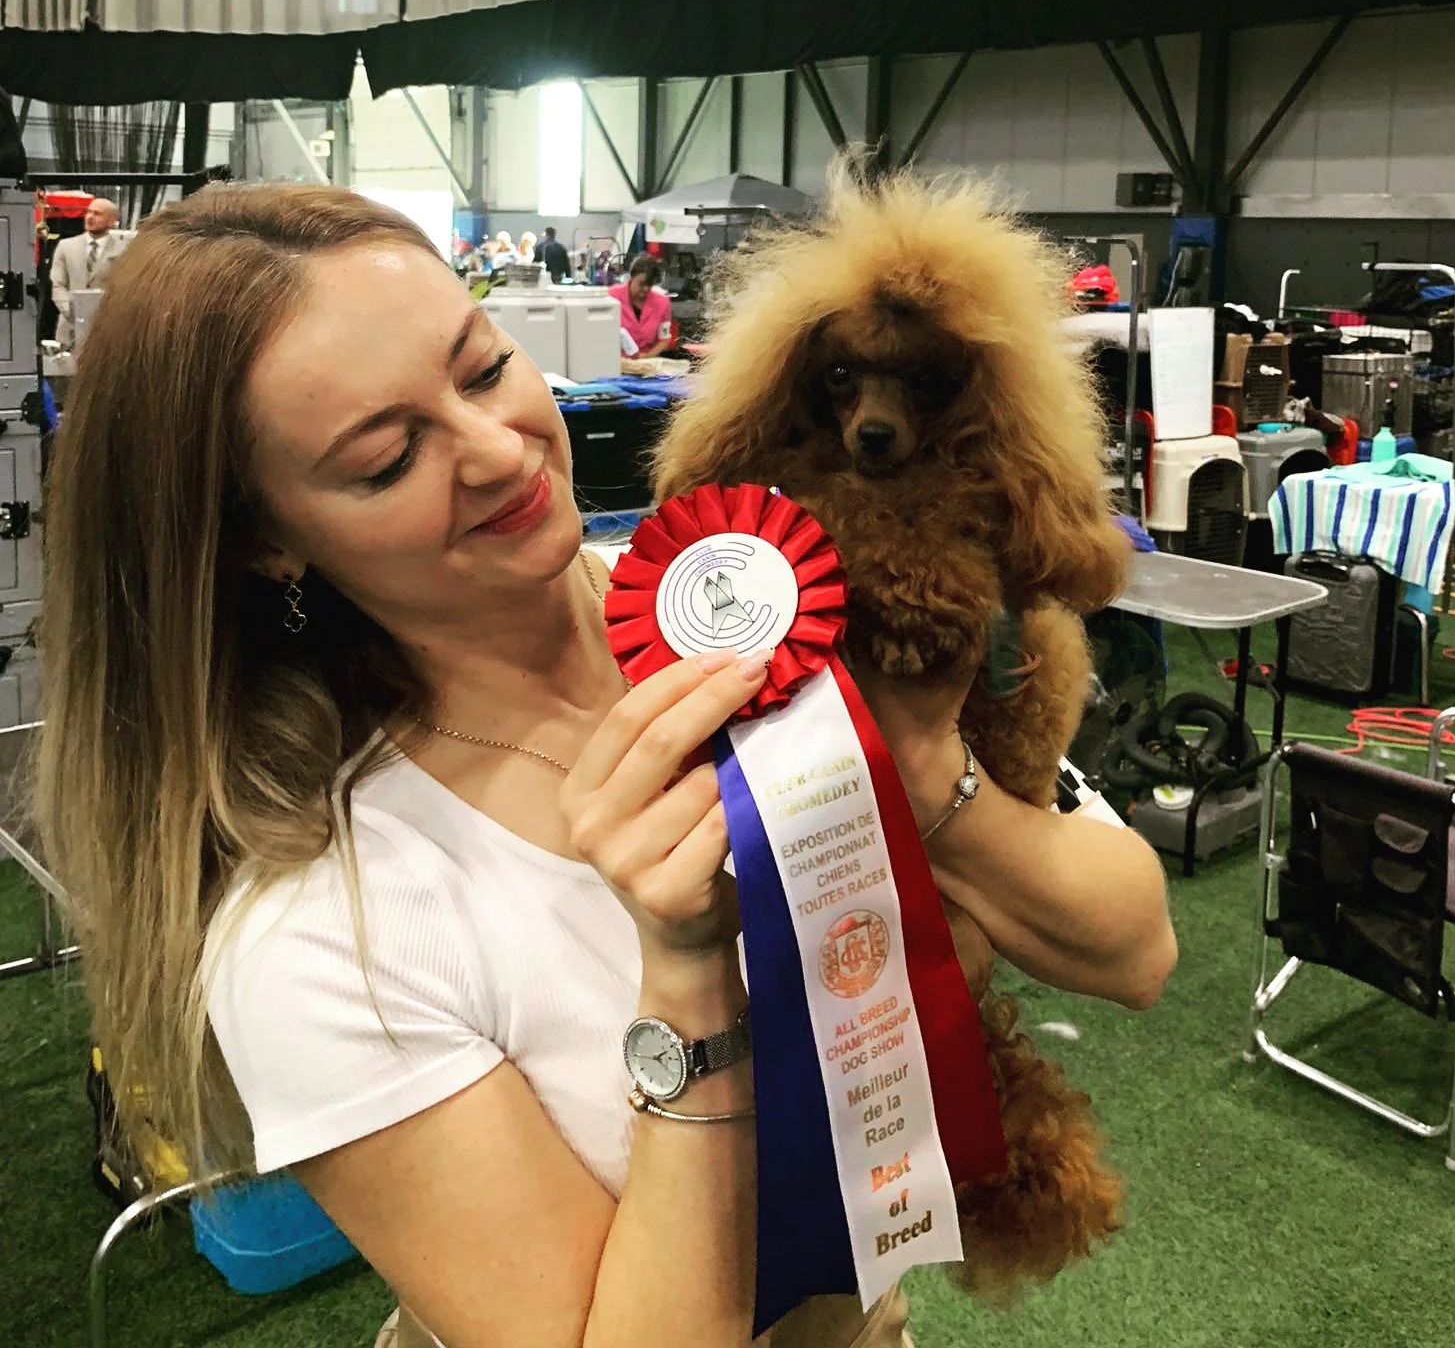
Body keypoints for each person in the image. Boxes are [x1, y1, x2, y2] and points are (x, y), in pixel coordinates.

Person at [35, 185, 1175, 1348]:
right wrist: (683, 976)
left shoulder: (750, 597)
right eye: (386, 458)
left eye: (482, 370)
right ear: (265, 539)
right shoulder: (320, 925)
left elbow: (1136, 949)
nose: (496, 450)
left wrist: (924, 773)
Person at [49, 196, 132, 348]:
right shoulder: (66, 246)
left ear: (112, 221)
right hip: (69, 328)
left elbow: (128, 288)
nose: (90, 217)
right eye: (89, 212)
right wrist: (73, 312)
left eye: (97, 214)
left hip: (107, 327)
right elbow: (58, 285)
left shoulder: (124, 251)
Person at [610, 253, 672, 358]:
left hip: (647, 362)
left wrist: (646, 357)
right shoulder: (611, 297)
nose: (646, 289)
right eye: (642, 284)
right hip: (615, 361)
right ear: (631, 276)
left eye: (650, 284)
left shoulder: (662, 302)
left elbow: (664, 340)